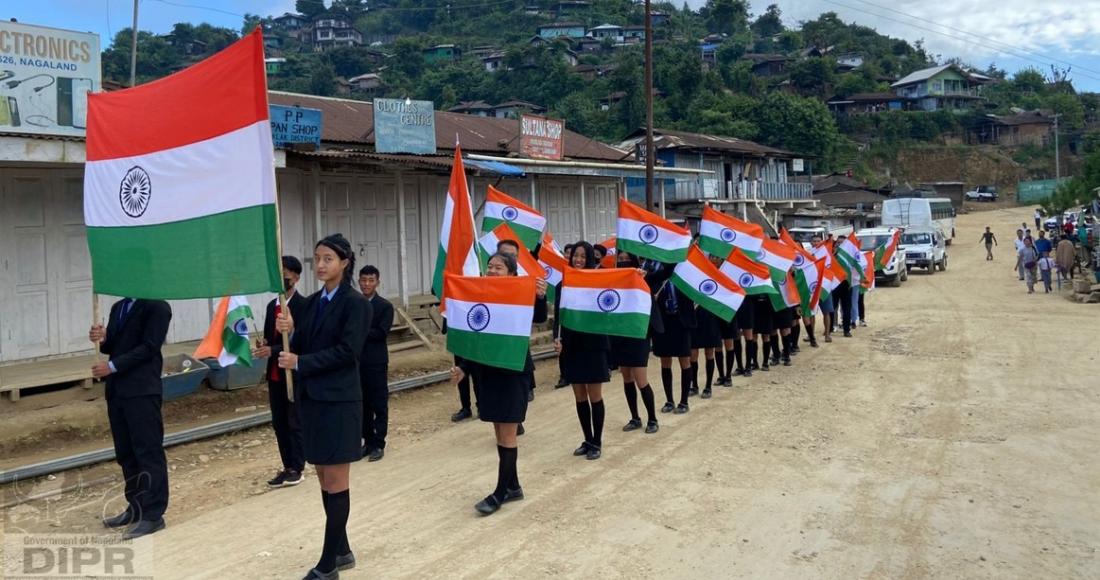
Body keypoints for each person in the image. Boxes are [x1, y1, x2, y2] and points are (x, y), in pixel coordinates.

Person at [276, 233, 368, 580]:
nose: (321, 264)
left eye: (328, 258)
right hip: (313, 400)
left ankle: (328, 563)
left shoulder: (356, 303)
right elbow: (305, 344)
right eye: (317, 258)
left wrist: (300, 361)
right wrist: (292, 331)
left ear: (344, 262)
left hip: (340, 401)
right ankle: (341, 549)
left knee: (336, 479)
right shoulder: (313, 302)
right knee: (322, 478)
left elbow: (348, 352)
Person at [450, 252, 548, 515]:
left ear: (512, 274)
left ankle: (500, 492)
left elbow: (538, 317)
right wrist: (464, 367)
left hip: (512, 371)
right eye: (490, 266)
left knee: (507, 434)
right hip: (488, 373)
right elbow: (477, 338)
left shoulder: (519, 294)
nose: (493, 271)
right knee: (498, 431)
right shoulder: (482, 296)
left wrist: (539, 295)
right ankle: (513, 485)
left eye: (499, 267)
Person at [89, 298, 172, 540]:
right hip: (118, 391)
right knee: (126, 452)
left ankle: (153, 514)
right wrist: (103, 338)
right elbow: (115, 345)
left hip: (142, 390)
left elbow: (149, 347)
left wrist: (112, 366)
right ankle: (135, 506)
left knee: (148, 451)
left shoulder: (157, 306)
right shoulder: (119, 307)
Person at [554, 242, 611, 459]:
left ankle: (597, 442)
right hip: (572, 346)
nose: (578, 259)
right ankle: (587, 439)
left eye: (582, 256)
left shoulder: (598, 282)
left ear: (589, 259)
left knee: (595, 395)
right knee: (579, 396)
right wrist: (557, 339)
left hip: (594, 345)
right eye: (574, 256)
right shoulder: (563, 285)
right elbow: (558, 318)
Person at [255, 256, 308, 488]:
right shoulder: (271, 306)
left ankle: (298, 466)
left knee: (294, 420)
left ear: (296, 277)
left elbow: (301, 341)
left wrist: (273, 349)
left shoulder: (303, 306)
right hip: (275, 373)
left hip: (293, 372)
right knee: (279, 422)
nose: (283, 277)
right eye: (279, 272)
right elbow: (271, 336)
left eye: (286, 272)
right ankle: (287, 465)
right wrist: (264, 344)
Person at [613, 251, 662, 434]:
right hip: (621, 335)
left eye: (627, 259)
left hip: (639, 335)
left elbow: (665, 273)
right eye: (621, 259)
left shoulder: (644, 278)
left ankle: (652, 418)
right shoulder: (614, 279)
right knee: (627, 377)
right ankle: (635, 417)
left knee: (641, 379)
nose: (623, 262)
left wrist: (643, 278)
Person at [650, 259, 696, 414]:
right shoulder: (653, 266)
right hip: (663, 321)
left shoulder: (685, 266)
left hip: (681, 320)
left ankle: (684, 401)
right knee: (665, 361)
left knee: (684, 359)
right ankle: (669, 400)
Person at [358, 265, 393, 462]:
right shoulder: (354, 303)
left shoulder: (384, 306)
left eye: (371, 280)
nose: (366, 284)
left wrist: (359, 331)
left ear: (377, 282)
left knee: (379, 403)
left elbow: (381, 333)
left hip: (376, 362)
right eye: (363, 280)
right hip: (357, 362)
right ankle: (367, 441)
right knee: (362, 404)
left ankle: (379, 443)